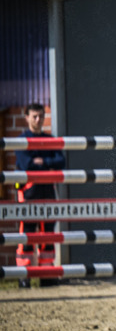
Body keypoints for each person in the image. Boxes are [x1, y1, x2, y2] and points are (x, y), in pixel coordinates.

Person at [15, 103, 65, 286]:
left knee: (48, 233)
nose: (38, 120)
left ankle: (47, 274)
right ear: (26, 117)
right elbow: (26, 164)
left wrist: (41, 161)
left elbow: (61, 161)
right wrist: (48, 163)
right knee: (27, 233)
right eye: (34, 116)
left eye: (41, 116)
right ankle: (24, 275)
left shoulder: (49, 139)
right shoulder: (21, 140)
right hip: (28, 192)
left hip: (47, 191)